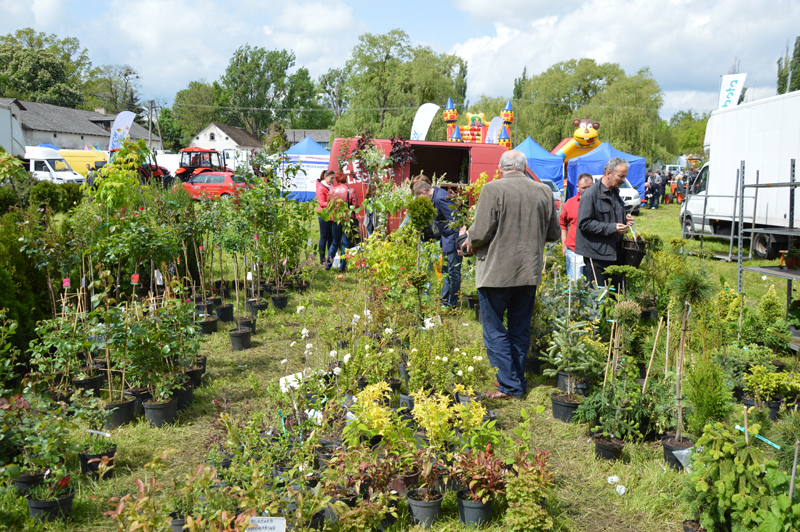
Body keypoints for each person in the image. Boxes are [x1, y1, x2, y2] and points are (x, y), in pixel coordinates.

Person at [461, 150, 560, 399]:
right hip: (528, 272)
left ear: (500, 168)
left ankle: (509, 385)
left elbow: (480, 233)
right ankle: (516, 379)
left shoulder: (493, 189)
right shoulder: (544, 191)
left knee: (494, 330)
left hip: (496, 273)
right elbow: (553, 234)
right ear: (525, 168)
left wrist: (468, 238)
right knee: (519, 329)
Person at [574, 157, 634, 288]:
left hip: (615, 254)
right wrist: (613, 228)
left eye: (625, 176)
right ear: (608, 173)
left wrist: (624, 219)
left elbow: (609, 216)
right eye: (621, 176)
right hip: (597, 256)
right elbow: (584, 223)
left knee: (617, 294)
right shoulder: (590, 194)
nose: (624, 180)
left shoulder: (615, 193)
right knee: (599, 296)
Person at [412, 177, 461, 307]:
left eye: (419, 197)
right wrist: (442, 243)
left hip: (452, 240)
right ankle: (445, 301)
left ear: (422, 192)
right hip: (446, 240)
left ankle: (452, 304)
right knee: (446, 271)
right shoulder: (437, 196)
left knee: (453, 273)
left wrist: (458, 245)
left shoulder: (440, 198)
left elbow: (455, 221)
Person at [560, 173, 593, 282]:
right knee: (575, 283)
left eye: (589, 187)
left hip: (593, 250)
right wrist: (564, 241)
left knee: (591, 284)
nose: (587, 190)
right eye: (584, 188)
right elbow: (562, 222)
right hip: (574, 249)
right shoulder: (570, 203)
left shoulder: (598, 202)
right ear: (577, 187)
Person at [328, 172, 359, 272]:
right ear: (346, 179)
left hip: (336, 219)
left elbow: (329, 206)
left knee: (335, 242)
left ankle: (328, 265)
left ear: (336, 180)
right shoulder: (351, 190)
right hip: (347, 220)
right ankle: (342, 268)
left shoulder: (331, 191)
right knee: (345, 244)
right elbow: (356, 206)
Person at [315, 170, 335, 267]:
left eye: (333, 178)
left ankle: (330, 259)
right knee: (324, 237)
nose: (332, 180)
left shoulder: (332, 186)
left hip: (332, 215)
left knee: (331, 237)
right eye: (331, 178)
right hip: (324, 215)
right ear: (325, 177)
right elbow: (322, 203)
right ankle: (322, 260)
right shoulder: (320, 188)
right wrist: (333, 203)